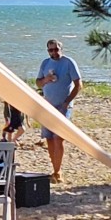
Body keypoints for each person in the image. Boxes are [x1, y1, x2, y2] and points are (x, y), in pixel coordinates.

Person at [34, 40, 82, 183]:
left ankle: (58, 171)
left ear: (61, 49)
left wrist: (67, 102)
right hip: (48, 105)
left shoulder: (69, 62)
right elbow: (38, 83)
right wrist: (46, 80)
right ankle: (54, 170)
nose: (54, 52)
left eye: (56, 49)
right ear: (47, 51)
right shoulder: (45, 63)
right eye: (51, 50)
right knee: (49, 138)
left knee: (58, 137)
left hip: (63, 106)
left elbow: (78, 85)